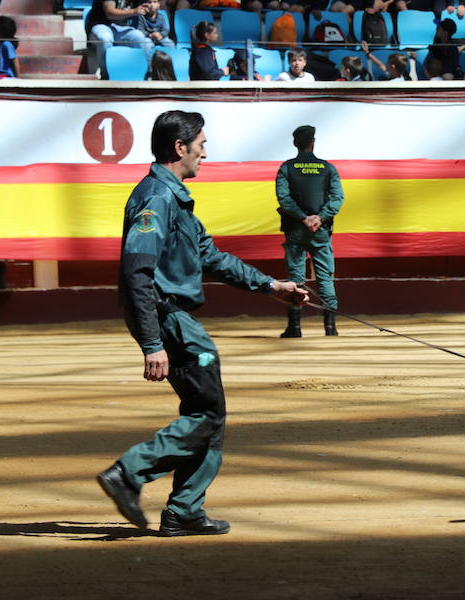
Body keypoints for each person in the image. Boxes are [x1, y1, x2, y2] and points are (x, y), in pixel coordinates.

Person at [97, 110, 309, 536]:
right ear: (181, 147)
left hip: (173, 316)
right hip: (168, 316)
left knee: (207, 410)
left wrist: (271, 286)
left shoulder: (174, 198)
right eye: (202, 144)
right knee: (209, 412)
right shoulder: (155, 198)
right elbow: (137, 272)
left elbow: (211, 256)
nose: (205, 153)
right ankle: (130, 472)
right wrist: (152, 343)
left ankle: (184, 510)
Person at [276, 125, 344, 338]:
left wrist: (303, 218)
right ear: (312, 142)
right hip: (320, 230)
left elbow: (284, 199)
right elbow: (337, 198)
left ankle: (295, 328)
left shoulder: (286, 168)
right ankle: (330, 328)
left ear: (295, 144)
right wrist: (320, 217)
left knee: (296, 277)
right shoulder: (328, 168)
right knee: (325, 277)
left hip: (296, 229)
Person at [86, 0, 151, 79]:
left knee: (139, 37)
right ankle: (105, 74)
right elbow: (109, 13)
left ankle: (146, 73)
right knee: (105, 38)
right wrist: (134, 11)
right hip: (100, 26)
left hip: (119, 29)